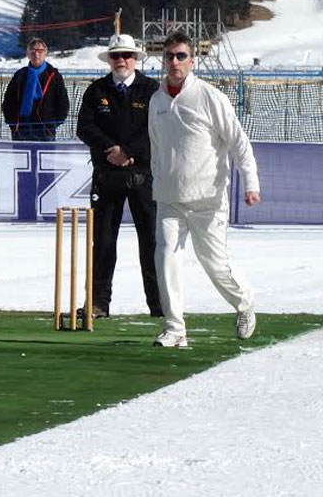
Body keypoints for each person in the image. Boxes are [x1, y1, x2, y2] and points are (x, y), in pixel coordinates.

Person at [148, 32, 261, 349]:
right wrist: (159, 180)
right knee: (165, 258)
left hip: (207, 200)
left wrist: (250, 182)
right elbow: (156, 148)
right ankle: (174, 328)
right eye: (169, 56)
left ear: (192, 60)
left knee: (214, 265)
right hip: (169, 199)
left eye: (181, 56)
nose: (174, 62)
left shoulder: (210, 97)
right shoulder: (157, 100)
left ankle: (244, 302)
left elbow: (238, 143)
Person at [76, 34, 162, 319]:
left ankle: (160, 304)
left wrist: (128, 151)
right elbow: (84, 127)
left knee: (151, 241)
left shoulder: (151, 90)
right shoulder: (96, 90)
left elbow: (158, 129)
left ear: (136, 58)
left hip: (143, 175)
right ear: (109, 60)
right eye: (116, 56)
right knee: (102, 242)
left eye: (126, 55)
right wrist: (109, 150)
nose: (121, 60)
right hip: (106, 176)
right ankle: (98, 303)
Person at [1, 37, 70, 141]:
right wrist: (12, 123)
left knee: (46, 157)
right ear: (28, 54)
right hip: (21, 128)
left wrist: (53, 124)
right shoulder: (20, 75)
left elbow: (63, 102)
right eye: (33, 50)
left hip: (45, 128)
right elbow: (8, 101)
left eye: (40, 51)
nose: (36, 54)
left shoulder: (53, 75)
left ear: (45, 53)